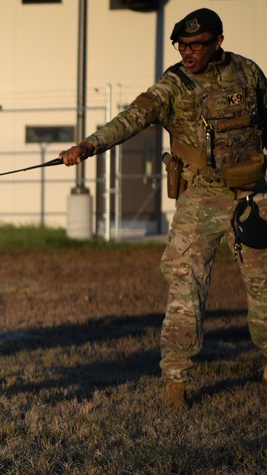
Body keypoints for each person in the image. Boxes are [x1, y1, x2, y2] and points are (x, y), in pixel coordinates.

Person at [59, 8, 267, 409]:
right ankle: (176, 379)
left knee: (264, 288)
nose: (188, 52)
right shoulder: (174, 84)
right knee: (185, 289)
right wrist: (88, 146)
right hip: (200, 199)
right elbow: (131, 119)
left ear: (218, 42)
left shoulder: (248, 73)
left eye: (197, 45)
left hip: (252, 196)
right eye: (182, 45)